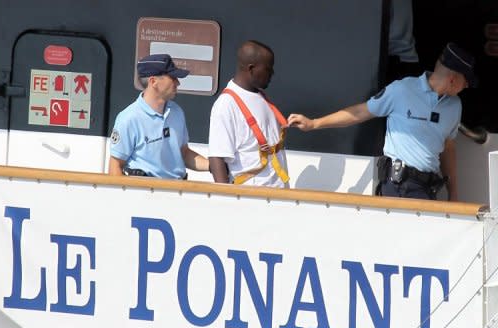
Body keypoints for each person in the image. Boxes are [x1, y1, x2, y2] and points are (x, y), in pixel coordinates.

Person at [288, 43, 477, 201]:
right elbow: (359, 112)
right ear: (453, 80)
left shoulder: (455, 106)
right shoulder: (401, 90)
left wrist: (453, 192)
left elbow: (448, 147)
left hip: (428, 190)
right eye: (466, 81)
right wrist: (314, 123)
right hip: (398, 187)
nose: (467, 86)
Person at [109, 54, 209, 178]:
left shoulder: (177, 112)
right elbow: (115, 166)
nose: (178, 83)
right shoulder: (128, 118)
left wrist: (212, 166)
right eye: (173, 78)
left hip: (177, 192)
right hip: (143, 193)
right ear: (153, 81)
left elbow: (183, 153)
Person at [208, 40, 289, 187]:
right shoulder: (226, 105)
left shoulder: (261, 97)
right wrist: (225, 199)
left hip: (278, 195)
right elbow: (216, 158)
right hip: (252, 199)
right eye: (268, 69)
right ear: (251, 68)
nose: (272, 74)